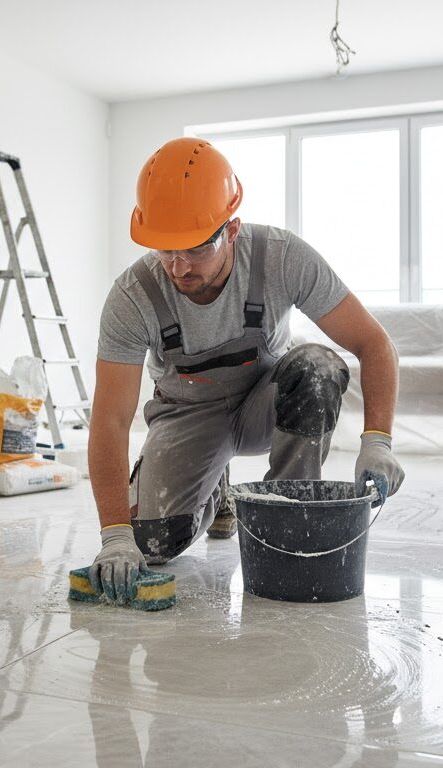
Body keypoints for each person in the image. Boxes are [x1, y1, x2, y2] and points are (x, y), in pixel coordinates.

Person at [88, 137, 404, 602]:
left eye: (195, 249)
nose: (178, 268)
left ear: (230, 229)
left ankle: (286, 514)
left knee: (317, 368)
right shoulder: (133, 297)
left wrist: (378, 441)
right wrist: (115, 534)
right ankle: (220, 496)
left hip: (265, 405)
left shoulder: (281, 257)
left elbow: (373, 343)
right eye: (164, 249)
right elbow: (111, 420)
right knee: (153, 542)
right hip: (188, 416)